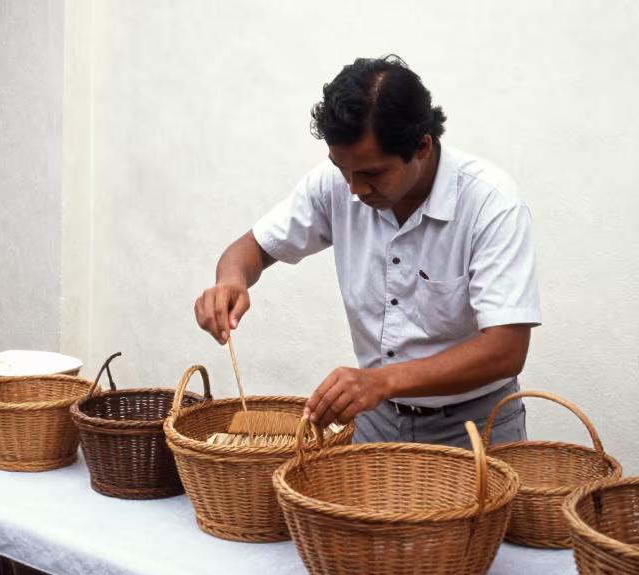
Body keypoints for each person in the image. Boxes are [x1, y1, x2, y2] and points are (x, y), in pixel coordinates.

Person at [194, 55, 540, 449]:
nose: (355, 188)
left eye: (373, 173)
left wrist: (382, 380)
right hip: (377, 423)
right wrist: (230, 280)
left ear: (422, 146)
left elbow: (506, 350)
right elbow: (251, 248)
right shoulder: (337, 182)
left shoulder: (490, 203)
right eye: (342, 169)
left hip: (478, 429)